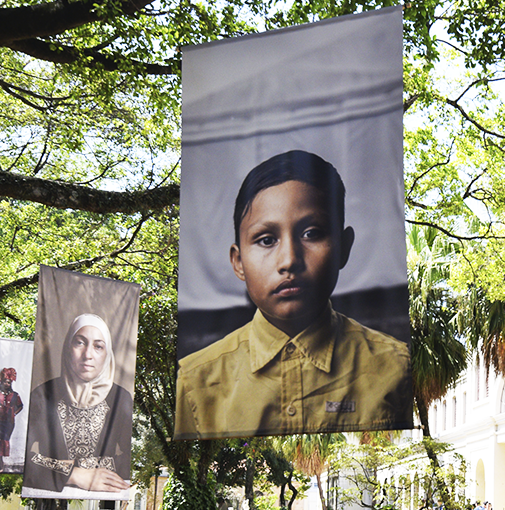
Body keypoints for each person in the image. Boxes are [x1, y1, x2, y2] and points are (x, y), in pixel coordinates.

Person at [175, 150, 411, 438]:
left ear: (344, 248)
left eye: (311, 233)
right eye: (266, 240)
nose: (288, 260)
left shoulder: (396, 366)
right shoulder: (194, 380)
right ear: (238, 262)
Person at [24, 313, 132, 494]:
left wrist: (63, 466)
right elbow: (22, 457)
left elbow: (128, 458)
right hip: (49, 498)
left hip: (102, 496)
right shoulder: (43, 394)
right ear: (67, 347)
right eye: (80, 343)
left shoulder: (120, 398)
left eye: (98, 346)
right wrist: (75, 474)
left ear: (107, 354)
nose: (87, 355)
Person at [0, 367, 24, 471]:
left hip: (9, 422)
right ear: (2, 382)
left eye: (9, 383)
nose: (7, 384)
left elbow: (20, 406)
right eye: (6, 382)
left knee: (4, 440)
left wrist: (13, 414)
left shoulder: (15, 395)